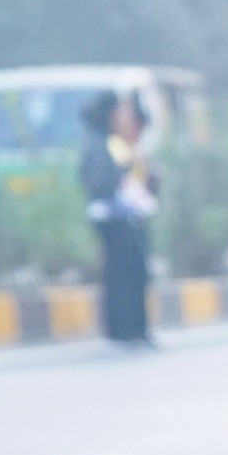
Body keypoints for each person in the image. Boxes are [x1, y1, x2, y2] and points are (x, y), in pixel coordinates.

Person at [80, 88, 159, 346]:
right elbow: (103, 182)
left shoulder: (113, 141)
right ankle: (123, 331)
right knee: (120, 276)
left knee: (134, 273)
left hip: (129, 216)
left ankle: (135, 330)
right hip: (114, 218)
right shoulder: (100, 143)